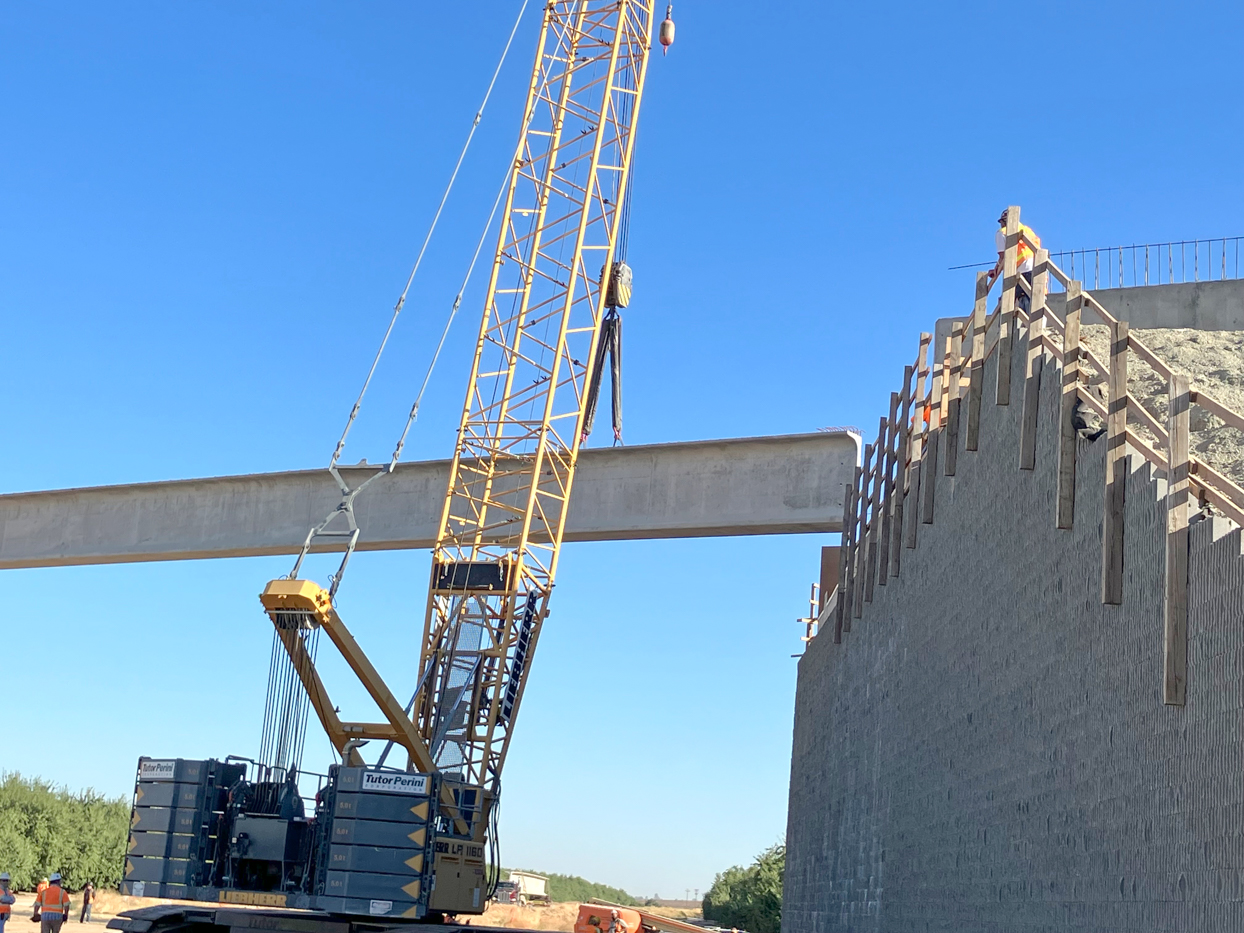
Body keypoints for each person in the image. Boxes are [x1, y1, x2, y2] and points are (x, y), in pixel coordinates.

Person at [987, 209, 1041, 314]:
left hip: (1023, 270)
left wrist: (995, 270)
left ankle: (1008, 328)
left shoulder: (1002, 233)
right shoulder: (1026, 230)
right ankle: (1034, 324)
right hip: (1037, 268)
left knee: (1005, 301)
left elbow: (1003, 257)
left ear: (1003, 222)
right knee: (1031, 296)